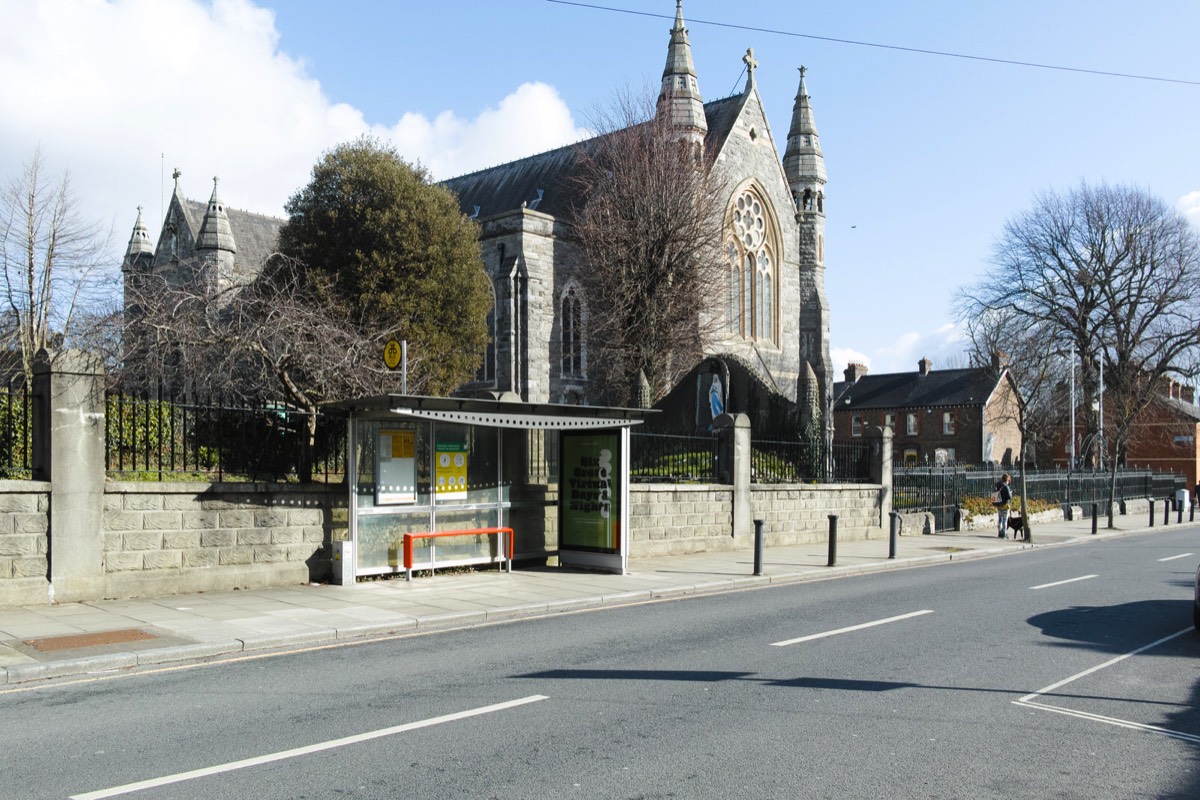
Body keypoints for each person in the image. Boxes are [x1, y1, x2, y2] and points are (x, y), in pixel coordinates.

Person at [994, 473, 1013, 538]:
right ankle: (1004, 533)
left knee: (1000, 518)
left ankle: (1000, 532)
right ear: (1007, 479)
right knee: (1005, 519)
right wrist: (1010, 493)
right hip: (1005, 505)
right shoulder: (1006, 486)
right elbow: (1009, 496)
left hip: (999, 504)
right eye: (1009, 480)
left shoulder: (998, 485)